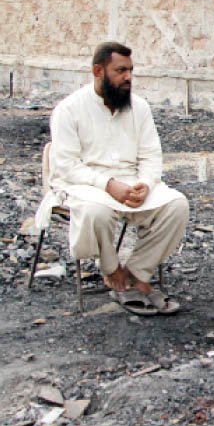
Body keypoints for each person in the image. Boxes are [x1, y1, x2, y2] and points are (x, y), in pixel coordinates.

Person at [35, 42, 189, 315]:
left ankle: (135, 274)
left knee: (177, 205)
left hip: (132, 181)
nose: (128, 77)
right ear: (98, 70)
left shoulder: (139, 108)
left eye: (130, 70)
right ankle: (110, 270)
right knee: (96, 212)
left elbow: (152, 156)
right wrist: (108, 185)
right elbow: (66, 166)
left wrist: (146, 183)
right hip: (85, 185)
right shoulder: (69, 109)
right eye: (120, 71)